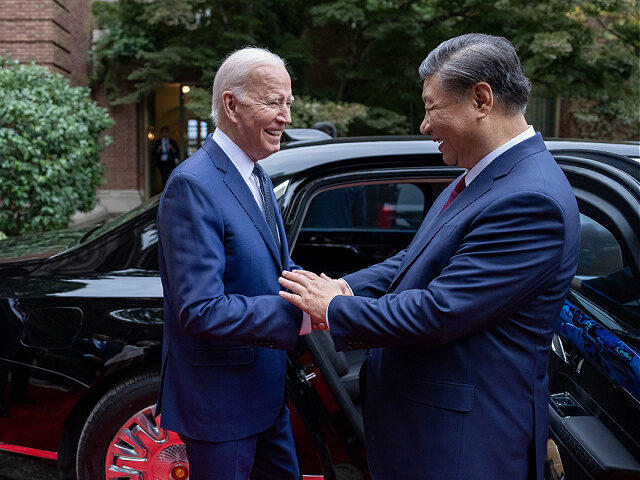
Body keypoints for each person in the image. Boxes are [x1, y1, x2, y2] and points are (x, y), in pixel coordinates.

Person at [279, 33, 580, 479]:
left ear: (481, 99)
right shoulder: (485, 177)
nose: (424, 125)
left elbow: (442, 310)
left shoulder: (531, 199)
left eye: (431, 106)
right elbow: (415, 258)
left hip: (463, 447)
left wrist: (336, 309)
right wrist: (346, 286)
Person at [156, 47, 305, 480]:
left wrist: (326, 292)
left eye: (288, 103)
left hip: (265, 392)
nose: (286, 117)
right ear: (232, 105)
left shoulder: (256, 173)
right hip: (220, 405)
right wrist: (301, 315)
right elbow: (199, 309)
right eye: (274, 102)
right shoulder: (193, 184)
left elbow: (274, 265)